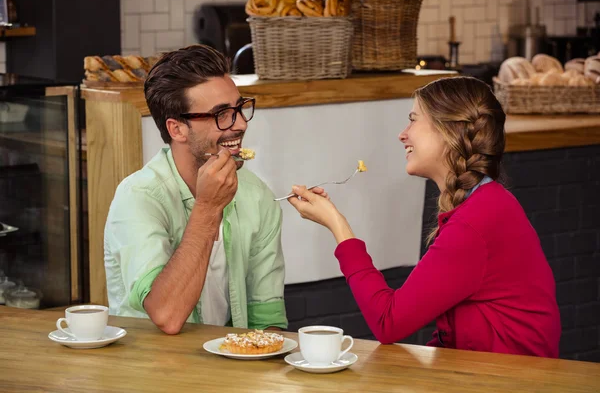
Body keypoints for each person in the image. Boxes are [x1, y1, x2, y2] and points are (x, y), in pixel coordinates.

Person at [287, 76, 560, 357]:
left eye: (413, 120)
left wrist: (336, 224)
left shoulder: (475, 223)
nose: (402, 134)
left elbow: (388, 322)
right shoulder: (485, 205)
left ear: (449, 130)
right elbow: (451, 333)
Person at [104, 45, 287, 334]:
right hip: (148, 372)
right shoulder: (138, 198)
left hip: (231, 372)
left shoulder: (256, 195)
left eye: (239, 108)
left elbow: (268, 320)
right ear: (177, 129)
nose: (239, 124)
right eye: (222, 114)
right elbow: (167, 315)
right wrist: (208, 208)